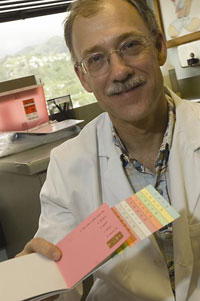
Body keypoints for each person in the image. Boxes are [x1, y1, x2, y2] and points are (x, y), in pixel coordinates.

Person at [18, 0, 200, 300]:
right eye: (96, 59)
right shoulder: (68, 165)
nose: (119, 71)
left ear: (158, 46)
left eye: (130, 45)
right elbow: (58, 284)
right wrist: (34, 284)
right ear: (83, 77)